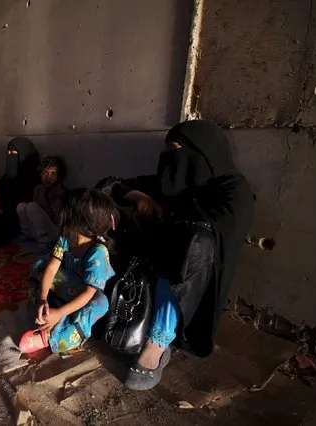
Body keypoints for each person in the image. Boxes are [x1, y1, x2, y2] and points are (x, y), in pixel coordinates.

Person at [102, 120, 254, 390]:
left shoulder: (232, 188)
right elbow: (108, 185)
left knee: (193, 241)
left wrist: (171, 218)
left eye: (177, 150)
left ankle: (158, 342)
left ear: (203, 152)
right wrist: (137, 196)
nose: (170, 160)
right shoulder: (169, 182)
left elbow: (221, 237)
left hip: (193, 275)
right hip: (150, 265)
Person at [20, 189, 118, 354]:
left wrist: (60, 313)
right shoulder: (66, 238)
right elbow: (51, 268)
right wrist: (42, 298)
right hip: (68, 286)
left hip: (84, 295)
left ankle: (55, 336)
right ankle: (41, 307)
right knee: (40, 265)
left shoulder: (98, 253)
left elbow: (88, 293)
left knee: (101, 302)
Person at [0, 138, 40, 248]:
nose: (11, 156)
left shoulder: (34, 177)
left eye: (14, 153)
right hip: (9, 216)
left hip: (27, 222)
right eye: (9, 153)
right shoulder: (6, 178)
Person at [17, 156, 68, 252]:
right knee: (22, 206)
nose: (47, 177)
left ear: (58, 176)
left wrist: (43, 202)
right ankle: (26, 234)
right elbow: (32, 215)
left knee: (31, 206)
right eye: (44, 173)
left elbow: (56, 219)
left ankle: (46, 242)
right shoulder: (39, 188)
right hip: (38, 232)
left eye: (53, 174)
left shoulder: (60, 192)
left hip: (54, 233)